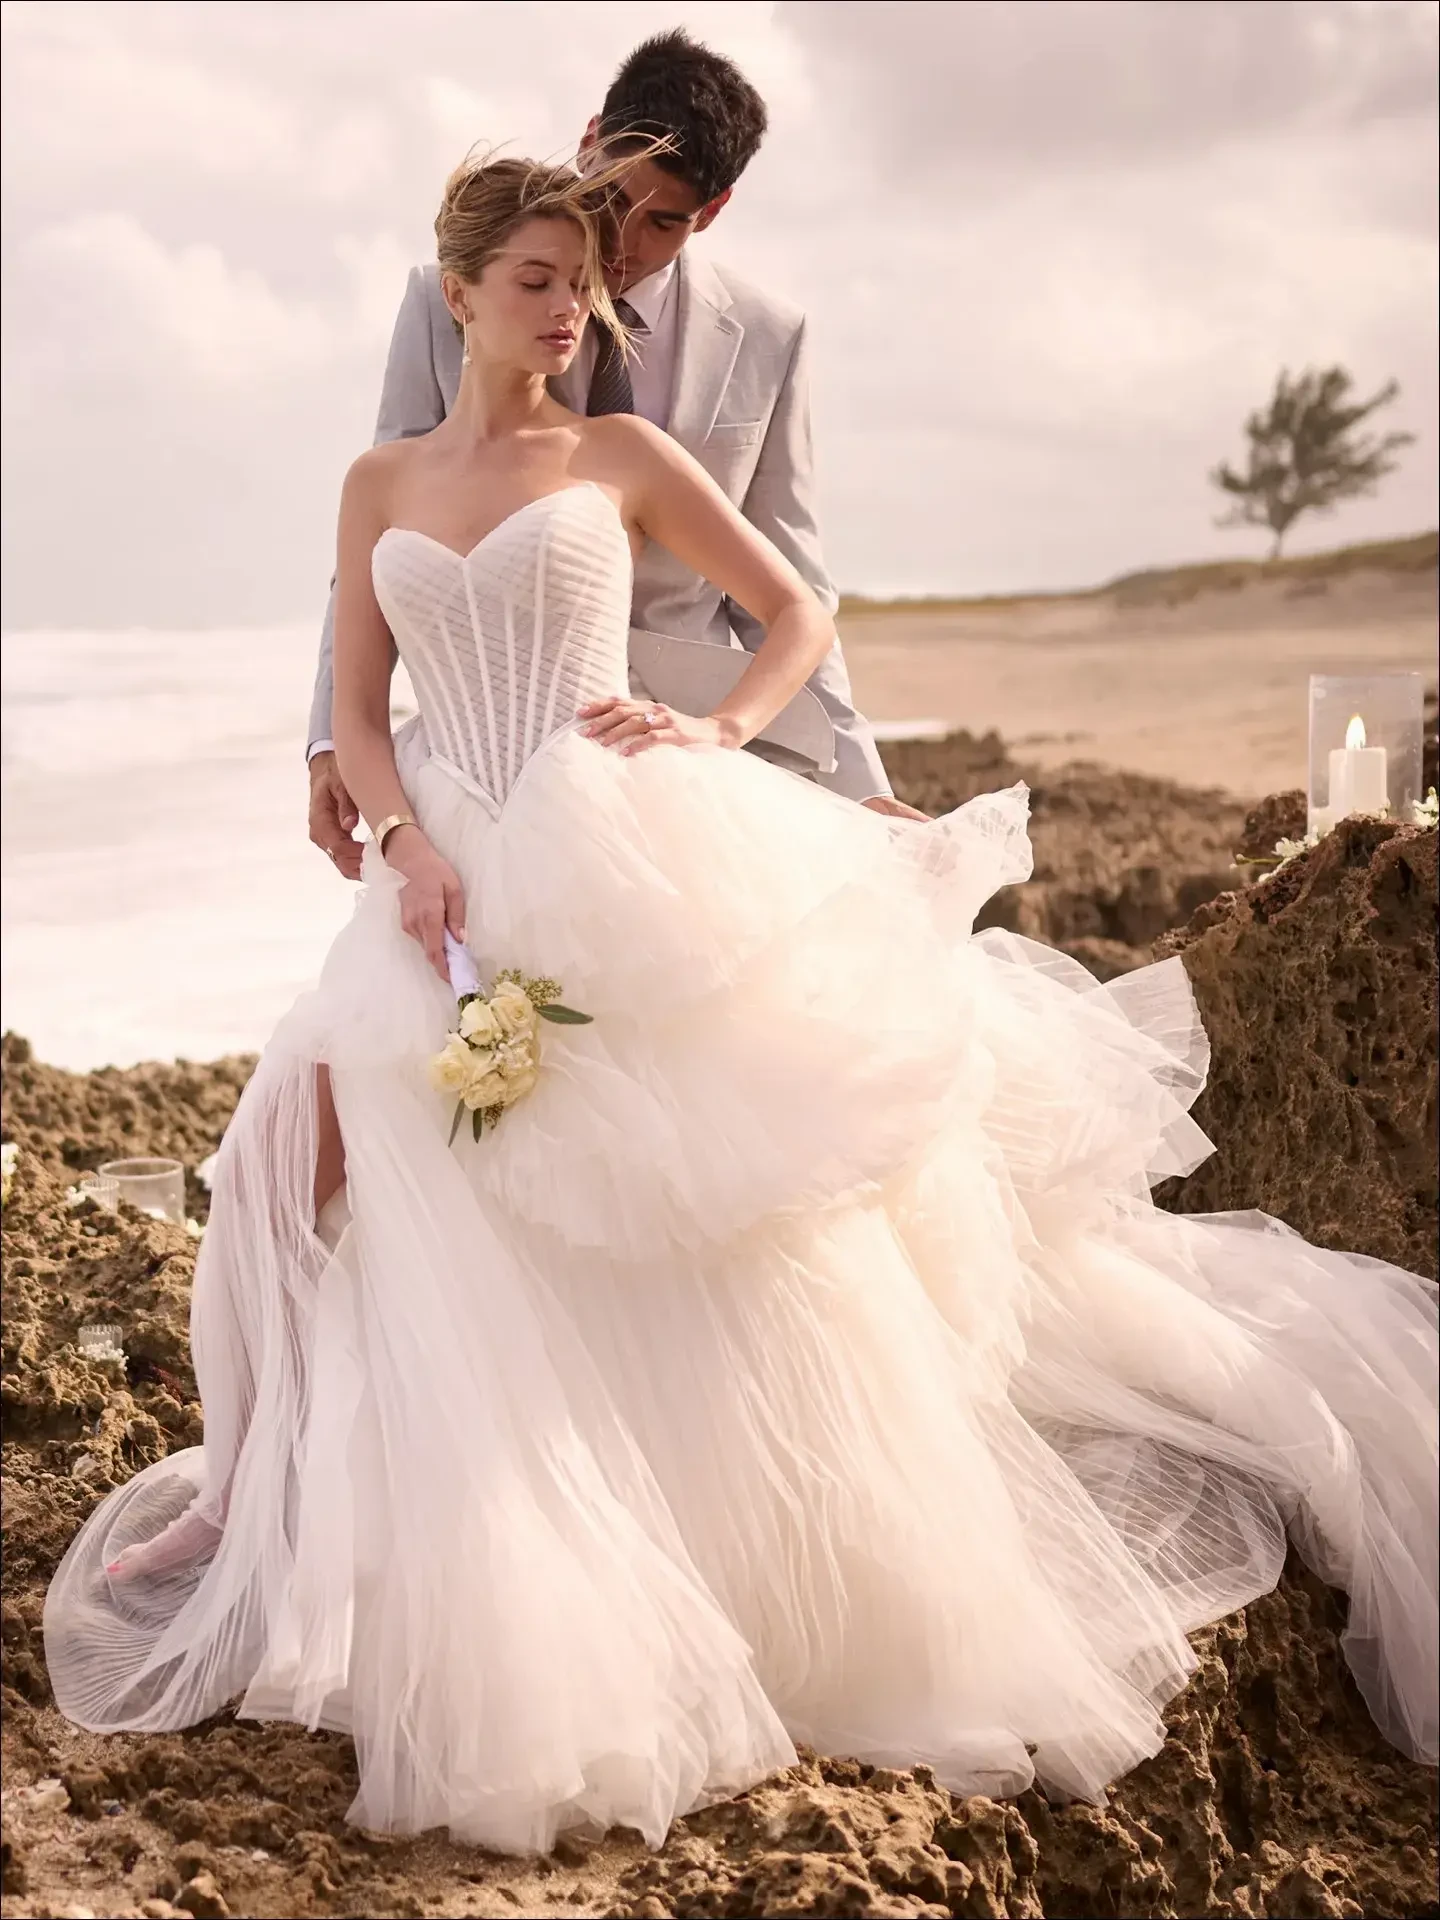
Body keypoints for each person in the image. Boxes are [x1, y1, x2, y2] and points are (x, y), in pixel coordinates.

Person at [45, 151, 1437, 1860]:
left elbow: (794, 608)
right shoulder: (378, 480)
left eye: (583, 284)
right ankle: (245, 1493)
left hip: (613, 848)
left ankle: (703, 1548)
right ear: (460, 292)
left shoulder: (620, 458)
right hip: (441, 867)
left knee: (647, 1201)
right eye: (537, 280)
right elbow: (357, 702)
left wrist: (711, 731)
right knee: (281, 1159)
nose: (569, 310)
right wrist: (402, 847)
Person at [307, 29, 920, 886]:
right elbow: (380, 543)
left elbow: (795, 584)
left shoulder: (769, 338)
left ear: (712, 211)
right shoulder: (449, 294)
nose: (623, 239)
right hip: (481, 769)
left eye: (664, 221)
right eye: (614, 195)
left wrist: (856, 787)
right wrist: (333, 741)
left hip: (675, 759)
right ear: (591, 139)